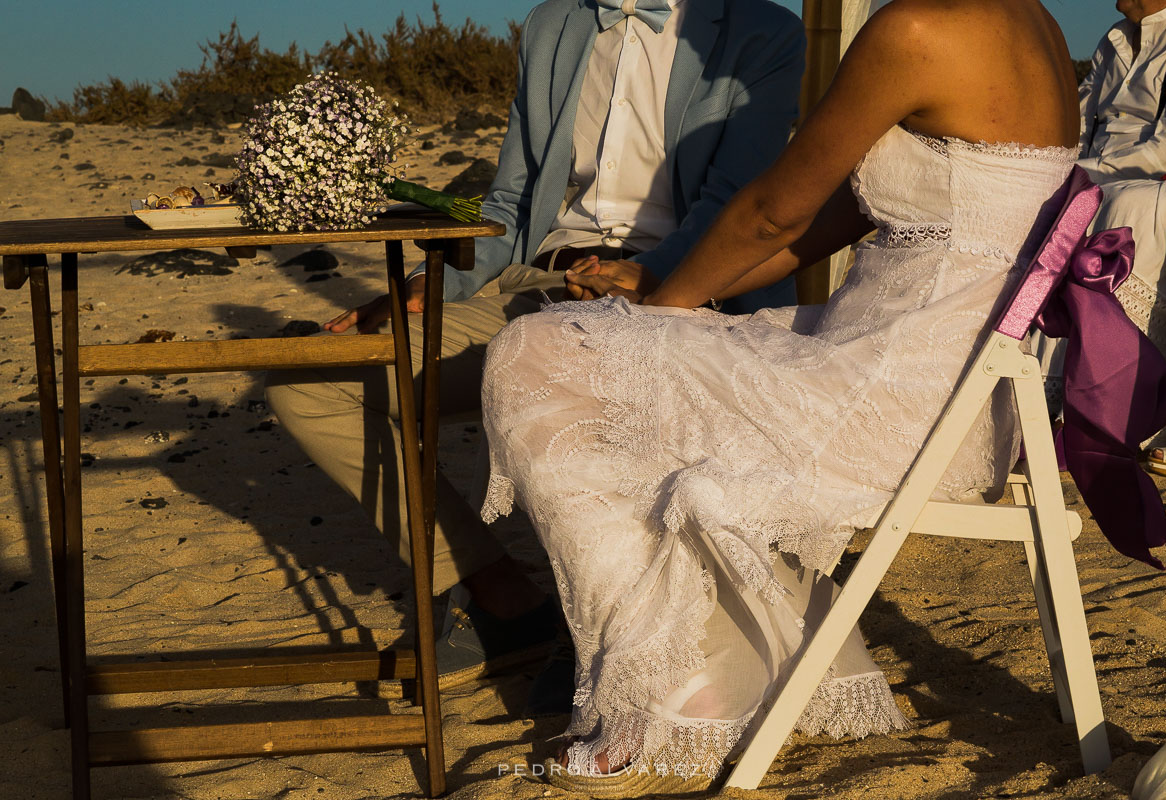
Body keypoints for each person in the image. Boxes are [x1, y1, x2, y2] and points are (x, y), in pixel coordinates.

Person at [479, 0, 1080, 790]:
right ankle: (697, 665)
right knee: (609, 354)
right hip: (951, 389)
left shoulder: (919, 28)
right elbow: (825, 222)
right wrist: (671, 293)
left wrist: (659, 314)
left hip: (890, 400)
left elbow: (774, 211)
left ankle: (664, 692)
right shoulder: (1030, 21)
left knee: (534, 351)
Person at [264, 0, 806, 690]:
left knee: (578, 386)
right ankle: (502, 600)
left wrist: (643, 276)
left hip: (688, 289)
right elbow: (507, 203)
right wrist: (423, 283)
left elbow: (736, 201)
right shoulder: (555, 24)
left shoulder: (766, 30)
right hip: (545, 281)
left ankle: (614, 643)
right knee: (306, 382)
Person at [1037, 0, 1166, 462]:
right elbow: (1078, 125)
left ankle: (1102, 411)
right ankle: (1033, 399)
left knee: (1116, 204)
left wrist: (1084, 179)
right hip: (1108, 179)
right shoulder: (1115, 37)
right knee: (1035, 205)